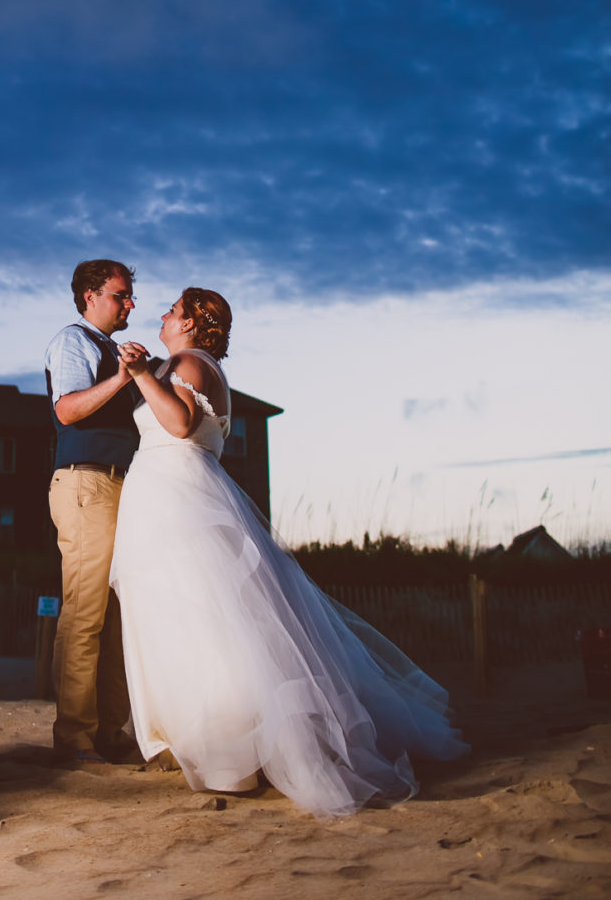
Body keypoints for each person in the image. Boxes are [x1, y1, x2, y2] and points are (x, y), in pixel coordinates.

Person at [110, 290, 469, 816]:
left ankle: (232, 758)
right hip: (170, 497)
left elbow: (182, 425)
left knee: (201, 622)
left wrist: (141, 375)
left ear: (190, 323)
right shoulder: (184, 362)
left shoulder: (189, 363)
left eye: (171, 309)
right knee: (190, 620)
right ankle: (217, 748)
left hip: (181, 504)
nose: (162, 315)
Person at [44, 258, 145, 765]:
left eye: (130, 295)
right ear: (90, 295)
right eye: (120, 294)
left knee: (115, 615)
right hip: (86, 482)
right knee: (84, 613)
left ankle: (110, 729)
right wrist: (123, 378)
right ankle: (74, 736)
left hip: (122, 485)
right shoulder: (73, 342)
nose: (130, 303)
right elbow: (67, 409)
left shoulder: (111, 350)